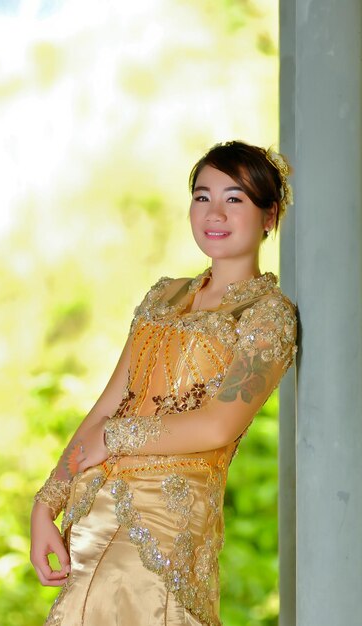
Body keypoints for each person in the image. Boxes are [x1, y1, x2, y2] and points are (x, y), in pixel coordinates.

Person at [30, 139, 298, 626]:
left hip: (167, 519)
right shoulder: (164, 295)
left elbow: (219, 425)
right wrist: (49, 502)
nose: (214, 212)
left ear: (269, 215)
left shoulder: (267, 315)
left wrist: (115, 439)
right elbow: (109, 403)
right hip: (93, 510)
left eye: (234, 198)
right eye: (202, 196)